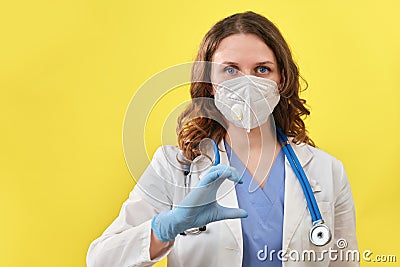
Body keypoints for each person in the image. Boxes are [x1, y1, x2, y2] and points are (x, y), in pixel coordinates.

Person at [86, 11, 358, 267]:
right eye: (231, 69)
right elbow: (100, 258)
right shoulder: (174, 168)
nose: (247, 82)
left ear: (282, 80)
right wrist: (164, 229)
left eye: (262, 69)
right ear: (210, 83)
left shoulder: (327, 171)